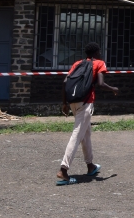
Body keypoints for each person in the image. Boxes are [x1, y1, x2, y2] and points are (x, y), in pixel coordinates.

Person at [56, 42, 119, 186]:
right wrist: (114, 88)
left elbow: (65, 82)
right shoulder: (100, 63)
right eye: (99, 52)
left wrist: (64, 104)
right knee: (77, 134)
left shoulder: (78, 63)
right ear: (96, 52)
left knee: (86, 133)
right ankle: (63, 169)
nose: (100, 54)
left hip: (73, 102)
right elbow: (101, 84)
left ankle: (90, 165)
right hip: (86, 102)